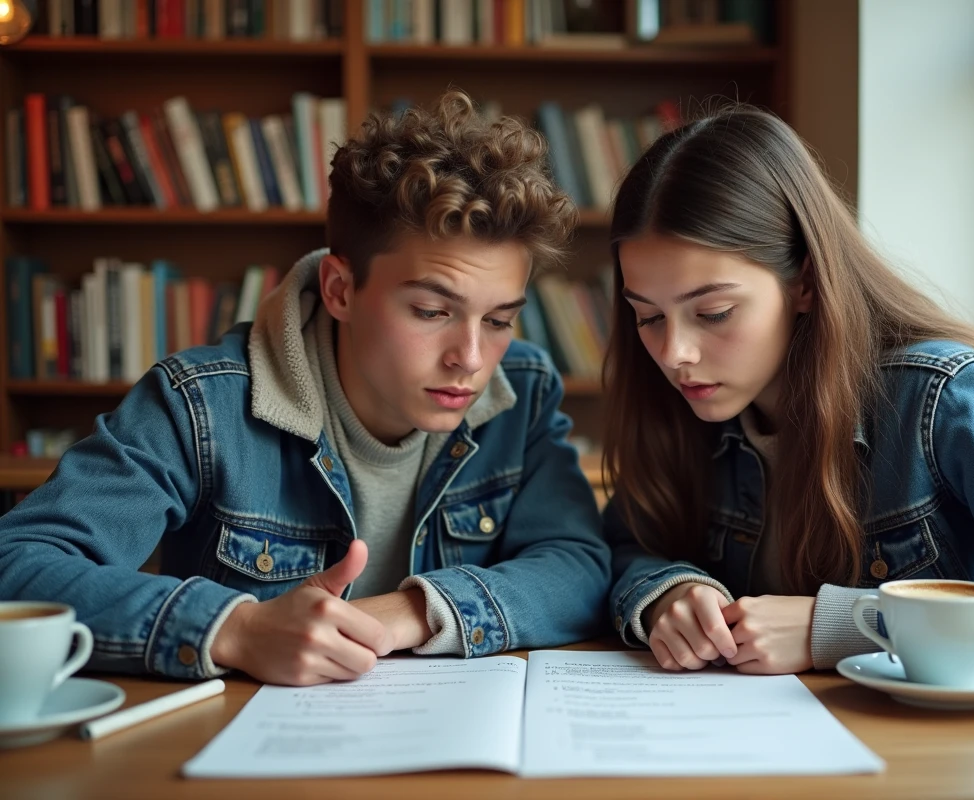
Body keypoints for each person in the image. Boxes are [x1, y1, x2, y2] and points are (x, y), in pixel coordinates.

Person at [0, 91, 609, 686]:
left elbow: (576, 565)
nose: (472, 359)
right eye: (430, 311)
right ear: (341, 290)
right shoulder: (200, 403)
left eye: (499, 320)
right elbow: (19, 564)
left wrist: (414, 613)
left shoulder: (522, 390)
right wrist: (235, 629)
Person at [602, 104, 974, 685]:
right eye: (648, 317)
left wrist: (843, 626)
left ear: (805, 281)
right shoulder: (678, 410)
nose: (674, 352)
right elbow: (623, 545)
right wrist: (666, 590)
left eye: (714, 312)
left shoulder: (943, 401)